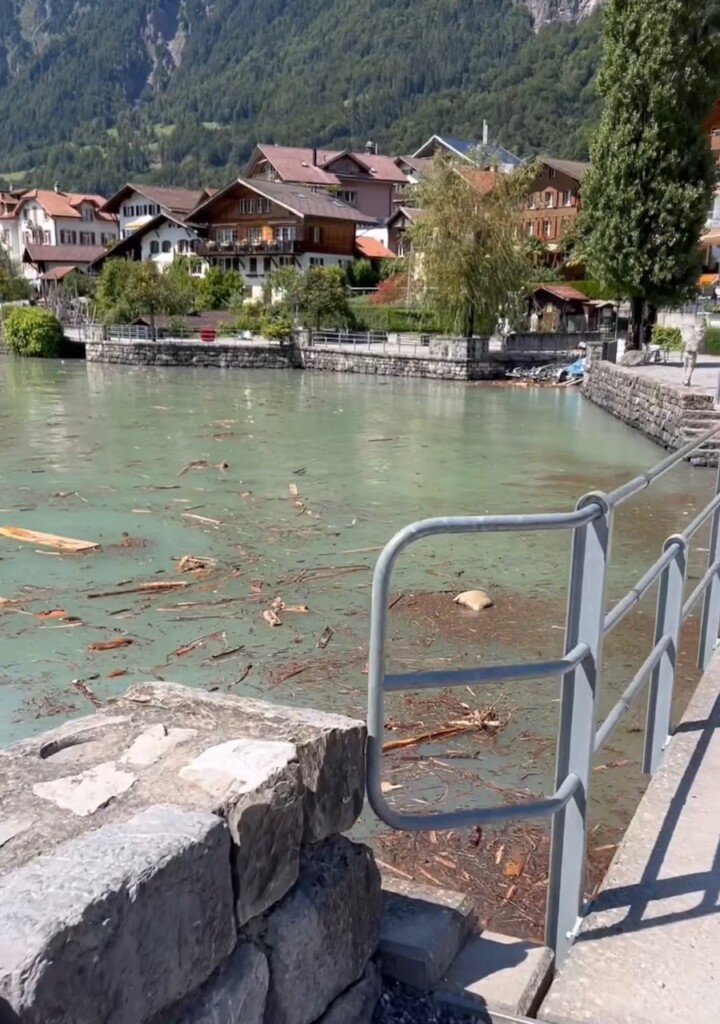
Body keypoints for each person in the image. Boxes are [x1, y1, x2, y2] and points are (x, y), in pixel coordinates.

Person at [682, 314, 707, 387]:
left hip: (687, 350)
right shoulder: (698, 335)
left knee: (686, 365)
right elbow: (700, 340)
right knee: (690, 366)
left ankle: (685, 378)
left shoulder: (689, 333)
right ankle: (687, 380)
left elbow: (684, 340)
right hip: (693, 351)